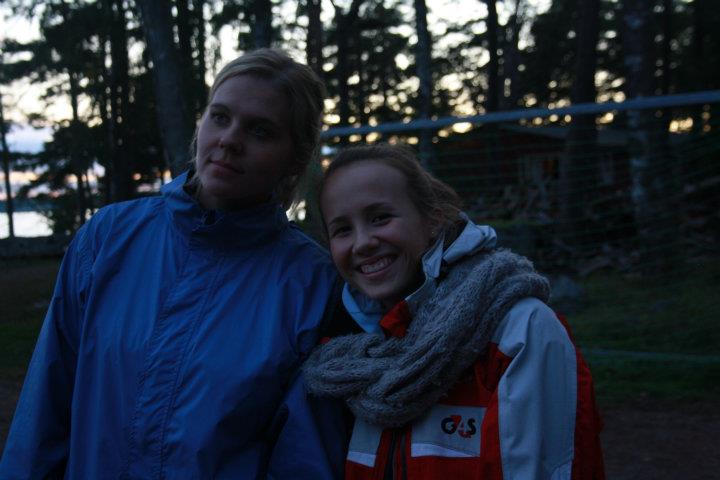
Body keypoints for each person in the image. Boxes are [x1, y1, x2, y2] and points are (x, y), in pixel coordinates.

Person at [0, 49, 348, 479]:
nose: (229, 140)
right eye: (220, 117)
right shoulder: (108, 238)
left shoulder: (311, 284)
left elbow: (303, 458)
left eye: (260, 131)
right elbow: (43, 414)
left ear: (294, 158)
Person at [303, 144, 605, 479]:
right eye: (343, 229)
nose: (362, 243)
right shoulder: (342, 353)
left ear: (432, 219)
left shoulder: (518, 331)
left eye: (380, 218)